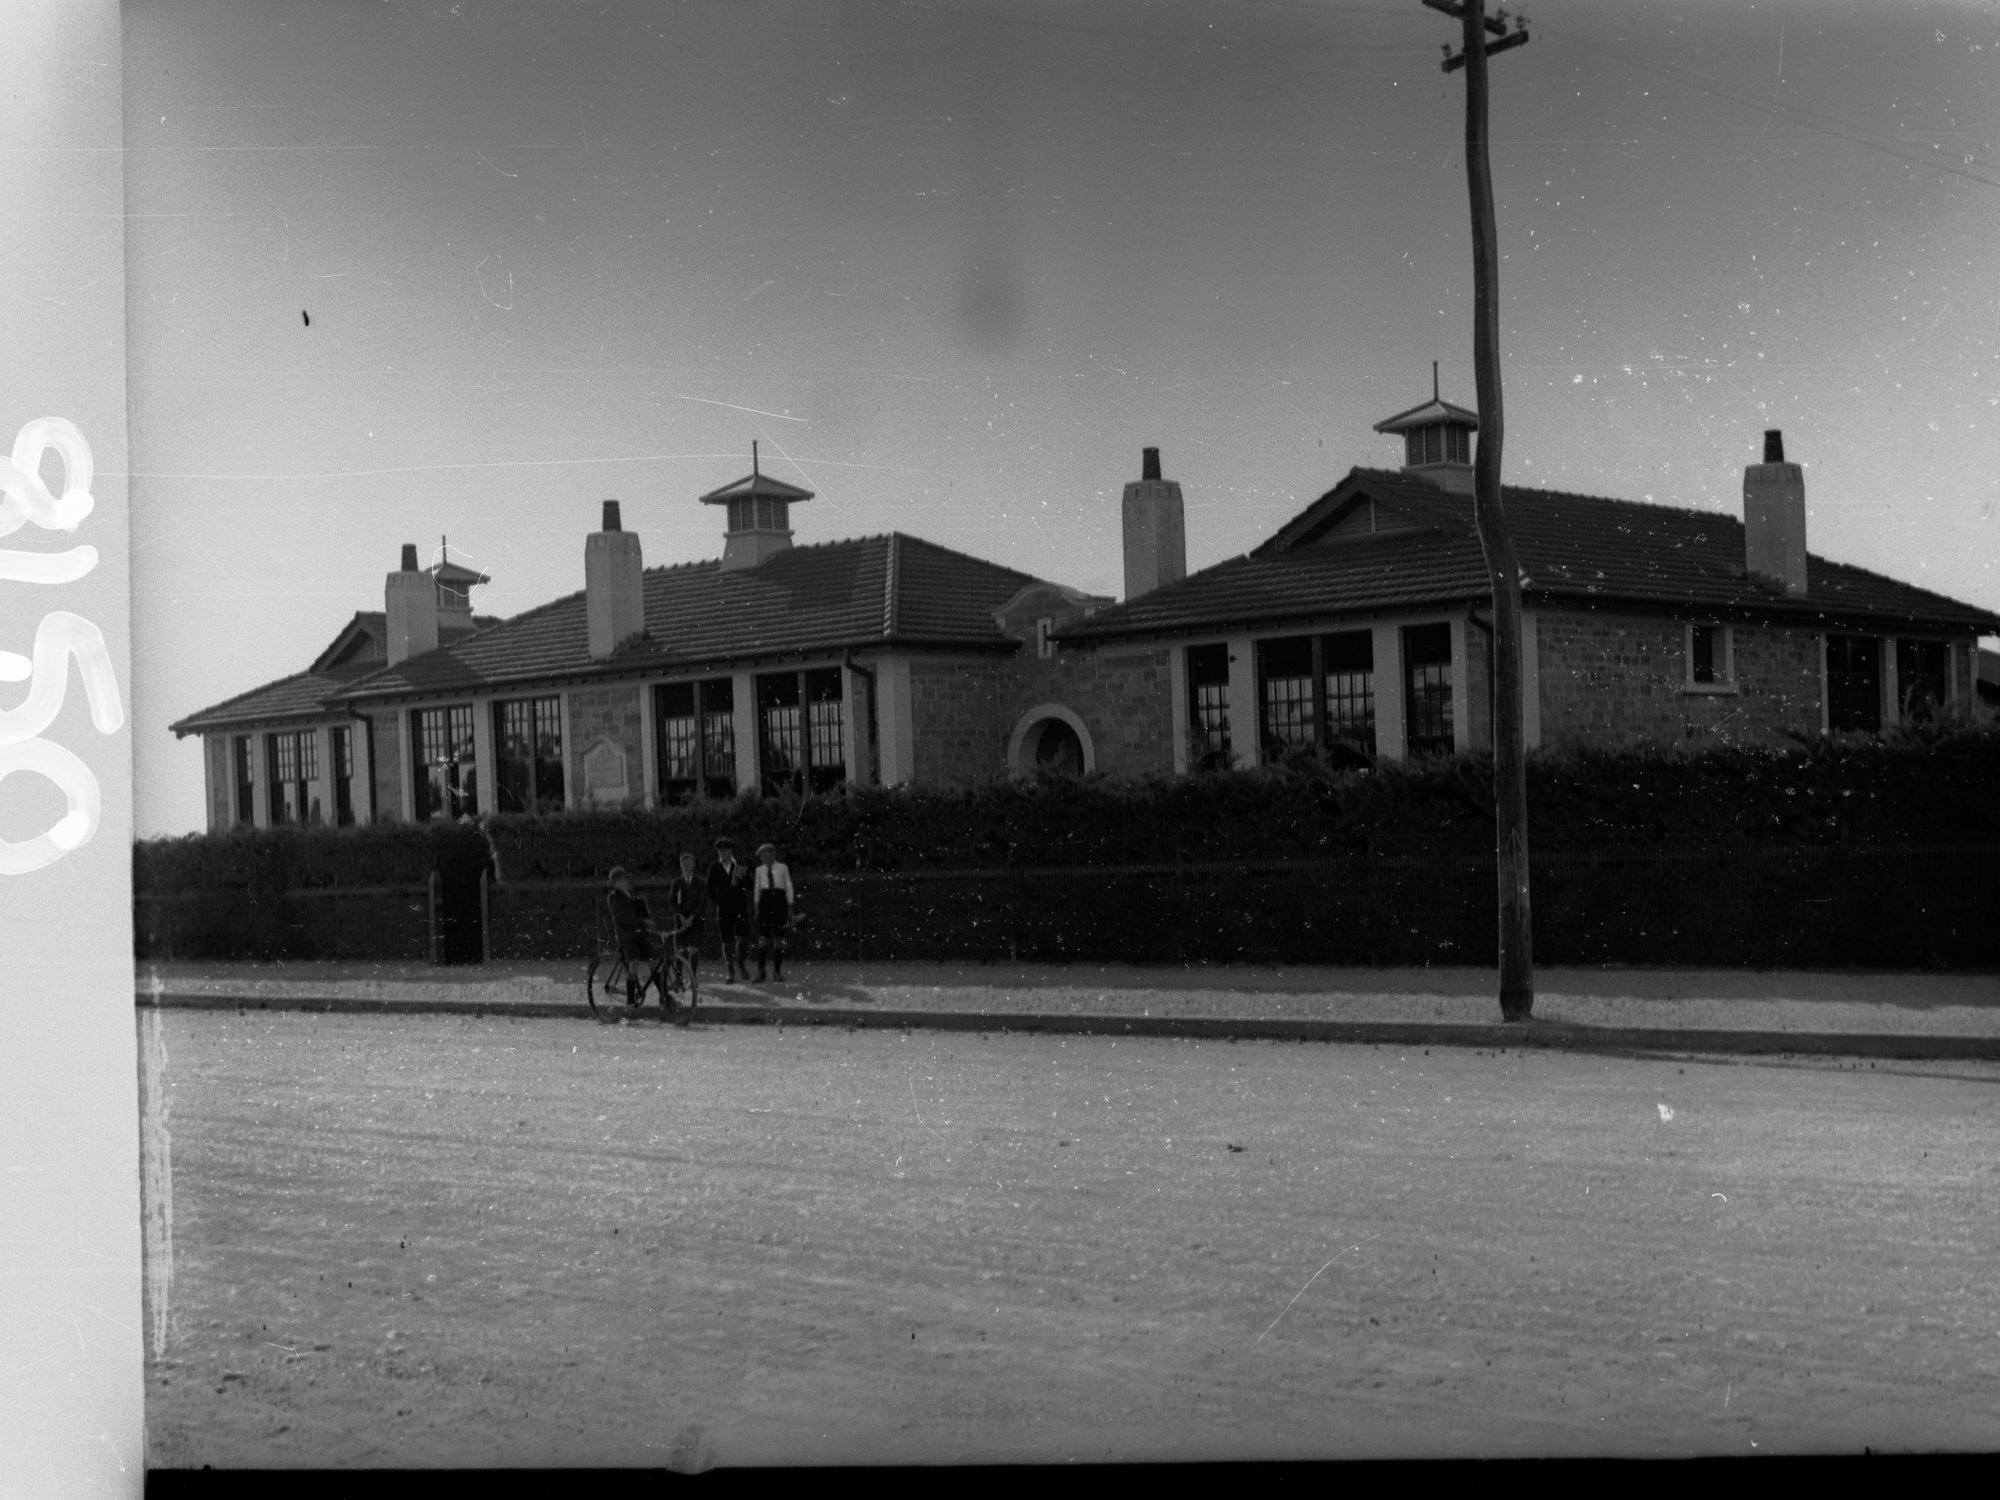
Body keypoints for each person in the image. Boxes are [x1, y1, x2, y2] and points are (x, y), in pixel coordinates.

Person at [605, 866, 663, 1006]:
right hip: (627, 937)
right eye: (623, 879)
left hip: (639, 935)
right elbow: (622, 918)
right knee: (634, 965)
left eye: (626, 878)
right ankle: (630, 1002)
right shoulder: (614, 897)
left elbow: (640, 913)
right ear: (616, 882)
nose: (626, 881)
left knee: (653, 963)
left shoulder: (631, 895)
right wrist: (643, 922)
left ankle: (664, 997)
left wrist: (647, 922)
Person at [706, 836, 753, 982]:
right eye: (719, 851)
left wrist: (741, 878)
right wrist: (720, 900)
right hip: (724, 909)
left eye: (724, 850)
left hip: (739, 907)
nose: (721, 853)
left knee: (743, 937)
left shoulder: (739, 865)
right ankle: (730, 971)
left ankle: (741, 963)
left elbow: (749, 885)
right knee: (727, 940)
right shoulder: (714, 867)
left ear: (730, 851)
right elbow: (709, 889)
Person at [751, 841, 796, 983]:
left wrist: (789, 905)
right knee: (762, 940)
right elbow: (757, 888)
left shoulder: (782, 868)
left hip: (779, 902)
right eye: (761, 856)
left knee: (779, 940)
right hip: (765, 903)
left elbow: (788, 886)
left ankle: (777, 971)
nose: (762, 859)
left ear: (773, 854)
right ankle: (761, 971)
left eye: (765, 855)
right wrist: (757, 906)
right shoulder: (759, 870)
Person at [664, 851, 707, 988]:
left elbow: (702, 902)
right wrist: (682, 917)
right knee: (680, 950)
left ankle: (692, 978)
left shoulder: (699, 882)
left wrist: (692, 917)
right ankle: (679, 979)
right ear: (680, 866)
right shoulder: (676, 883)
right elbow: (672, 903)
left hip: (695, 921)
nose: (686, 866)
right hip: (681, 922)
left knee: (693, 950)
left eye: (689, 863)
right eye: (683, 864)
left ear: (693, 865)